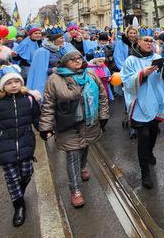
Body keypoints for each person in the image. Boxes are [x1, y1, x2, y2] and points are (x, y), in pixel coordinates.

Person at [40, 45, 110, 207]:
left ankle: (83, 166)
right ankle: (75, 190)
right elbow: (48, 104)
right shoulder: (54, 79)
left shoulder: (90, 75)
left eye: (79, 57)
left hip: (89, 122)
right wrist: (46, 126)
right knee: (72, 155)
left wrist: (103, 115)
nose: (78, 61)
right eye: (73, 59)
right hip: (68, 125)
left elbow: (102, 96)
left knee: (85, 147)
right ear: (65, 62)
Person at [0, 65, 41, 227]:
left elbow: (37, 118)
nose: (13, 85)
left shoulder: (28, 99)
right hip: (4, 146)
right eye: (9, 83)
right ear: (2, 86)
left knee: (27, 172)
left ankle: (18, 192)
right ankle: (18, 205)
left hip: (26, 143)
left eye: (16, 82)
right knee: (11, 177)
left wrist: (45, 129)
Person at [120, 34, 164, 189]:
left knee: (154, 131)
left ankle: (149, 152)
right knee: (144, 136)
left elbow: (163, 80)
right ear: (138, 42)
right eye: (146, 40)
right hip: (140, 104)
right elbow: (127, 83)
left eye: (151, 41)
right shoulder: (130, 61)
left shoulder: (157, 57)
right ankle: (145, 173)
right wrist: (143, 74)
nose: (150, 43)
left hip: (156, 102)